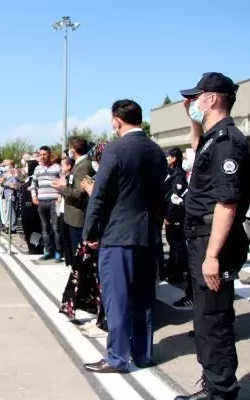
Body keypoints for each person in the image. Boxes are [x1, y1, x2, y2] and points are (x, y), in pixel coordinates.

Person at [174, 72, 250, 400]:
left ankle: (221, 392)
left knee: (214, 321)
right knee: (205, 320)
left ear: (214, 98)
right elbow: (198, 148)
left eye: (197, 97)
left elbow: (227, 201)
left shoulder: (227, 141)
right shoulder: (212, 137)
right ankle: (214, 386)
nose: (192, 103)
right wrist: (193, 122)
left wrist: (212, 256)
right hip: (201, 239)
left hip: (212, 241)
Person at [82, 99, 167, 374]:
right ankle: (143, 354)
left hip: (118, 234)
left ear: (117, 120)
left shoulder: (116, 149)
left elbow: (101, 194)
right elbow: (159, 197)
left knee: (117, 299)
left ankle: (117, 357)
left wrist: (90, 232)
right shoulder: (156, 151)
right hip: (147, 234)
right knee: (143, 299)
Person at [60, 141, 108, 339]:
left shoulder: (105, 176)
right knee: (85, 274)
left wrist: (90, 190)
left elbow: (100, 203)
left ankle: (103, 321)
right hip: (94, 232)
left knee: (100, 279)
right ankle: (94, 313)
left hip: (101, 234)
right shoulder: (99, 174)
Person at [51, 136, 95, 256]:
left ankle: (78, 273)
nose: (68, 151)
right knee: (71, 250)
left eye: (70, 147)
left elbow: (78, 192)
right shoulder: (78, 164)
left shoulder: (84, 166)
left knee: (78, 253)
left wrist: (61, 188)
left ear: (73, 149)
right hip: (71, 215)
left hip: (77, 216)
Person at [163, 148, 193, 306]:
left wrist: (169, 216)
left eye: (169, 156)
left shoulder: (178, 174)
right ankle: (175, 269)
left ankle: (179, 271)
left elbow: (175, 197)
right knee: (173, 243)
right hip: (171, 213)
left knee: (177, 244)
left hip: (175, 216)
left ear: (174, 158)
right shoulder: (171, 172)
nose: (167, 158)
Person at [31, 146, 62, 262]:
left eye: (45, 154)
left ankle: (58, 251)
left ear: (49, 154)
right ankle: (48, 251)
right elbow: (33, 184)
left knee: (56, 228)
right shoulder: (37, 169)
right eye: (41, 154)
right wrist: (34, 196)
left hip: (53, 200)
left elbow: (62, 182)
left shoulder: (57, 168)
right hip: (42, 201)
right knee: (45, 228)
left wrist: (60, 195)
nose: (42, 156)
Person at [20, 159, 43, 254]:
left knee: (35, 229)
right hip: (26, 210)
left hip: (32, 210)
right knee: (28, 230)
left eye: (26, 166)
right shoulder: (27, 179)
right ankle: (31, 248)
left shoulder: (34, 180)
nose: (25, 168)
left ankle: (35, 249)